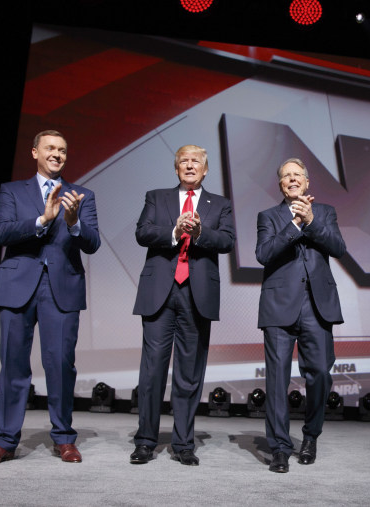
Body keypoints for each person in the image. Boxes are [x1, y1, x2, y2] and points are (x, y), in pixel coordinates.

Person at [0, 130, 100, 465]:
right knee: (13, 365)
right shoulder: (12, 190)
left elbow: (93, 243)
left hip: (62, 288)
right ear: (34, 152)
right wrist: (41, 220)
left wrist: (73, 223)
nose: (57, 154)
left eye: (62, 150)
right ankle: (4, 440)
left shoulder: (82, 194)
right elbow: (0, 232)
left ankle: (63, 438)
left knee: (60, 365)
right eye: (50, 148)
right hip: (18, 285)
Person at [129, 144, 235, 466]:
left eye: (196, 162)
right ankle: (146, 441)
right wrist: (174, 231)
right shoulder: (157, 197)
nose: (189, 166)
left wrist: (201, 233)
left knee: (189, 375)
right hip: (160, 291)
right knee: (152, 373)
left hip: (196, 294)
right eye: (184, 161)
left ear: (205, 170)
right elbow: (142, 232)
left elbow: (228, 241)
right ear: (176, 169)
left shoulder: (220, 204)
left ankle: (184, 444)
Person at [256, 157, 346, 473]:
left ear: (307, 182)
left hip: (317, 306)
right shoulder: (268, 216)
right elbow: (263, 254)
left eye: (297, 175)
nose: (292, 179)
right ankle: (279, 448)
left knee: (320, 372)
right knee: (277, 379)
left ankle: (310, 437)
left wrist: (311, 221)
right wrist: (294, 225)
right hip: (279, 306)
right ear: (280, 185)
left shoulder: (324, 213)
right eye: (286, 176)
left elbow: (338, 247)